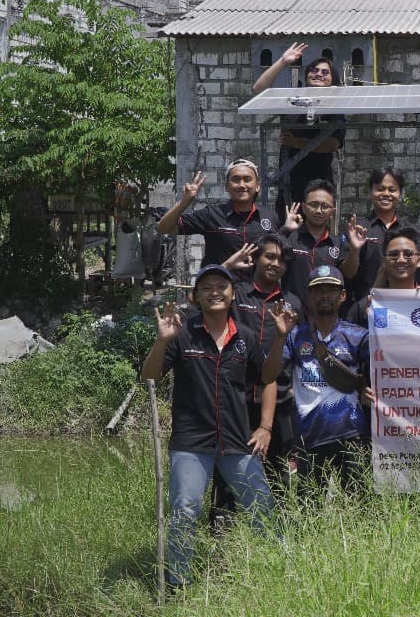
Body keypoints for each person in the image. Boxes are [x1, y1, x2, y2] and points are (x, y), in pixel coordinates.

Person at [140, 264, 289, 588]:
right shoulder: (182, 334)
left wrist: (264, 427)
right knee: (184, 510)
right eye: (206, 287)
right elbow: (149, 377)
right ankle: (178, 583)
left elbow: (268, 377)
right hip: (191, 443)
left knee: (263, 506)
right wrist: (162, 341)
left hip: (236, 441)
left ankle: (282, 575)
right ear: (196, 297)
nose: (214, 292)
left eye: (221, 286)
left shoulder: (246, 337)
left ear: (232, 294)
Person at [211, 235, 304, 516]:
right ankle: (221, 538)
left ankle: (274, 535)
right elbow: (207, 293)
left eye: (281, 260)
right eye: (269, 257)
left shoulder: (292, 302)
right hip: (235, 399)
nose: (275, 264)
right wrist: (227, 265)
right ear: (257, 259)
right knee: (227, 474)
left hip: (278, 399)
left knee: (277, 472)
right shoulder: (236, 293)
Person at [283, 265, 372, 494]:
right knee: (310, 511)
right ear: (309, 296)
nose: (325, 294)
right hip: (308, 436)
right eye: (319, 289)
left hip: (351, 435)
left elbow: (378, 373)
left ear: (342, 295)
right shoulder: (294, 336)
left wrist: (369, 391)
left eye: (331, 289)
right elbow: (268, 375)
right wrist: (280, 337)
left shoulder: (358, 335)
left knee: (358, 509)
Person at [251, 43, 347, 215]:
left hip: (320, 186)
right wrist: (283, 61)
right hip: (289, 184)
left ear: (333, 79)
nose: (318, 74)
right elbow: (259, 90)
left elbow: (332, 144)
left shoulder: (336, 108)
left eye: (325, 72)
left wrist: (296, 142)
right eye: (314, 70)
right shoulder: (291, 101)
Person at [157, 160, 284, 268]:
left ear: (257, 186)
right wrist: (184, 202)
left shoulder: (270, 217)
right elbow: (164, 227)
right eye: (235, 180)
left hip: (258, 294)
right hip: (220, 292)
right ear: (226, 187)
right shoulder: (211, 215)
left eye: (247, 179)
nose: (241, 185)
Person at [283, 179, 358, 299]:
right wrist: (285, 230)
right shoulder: (290, 237)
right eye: (313, 205)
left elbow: (349, 274)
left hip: (325, 312)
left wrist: (355, 249)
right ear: (304, 207)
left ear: (332, 211)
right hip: (293, 311)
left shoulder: (338, 244)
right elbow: (269, 257)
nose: (318, 211)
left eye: (325, 206)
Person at [348, 167, 406, 307]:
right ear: (370, 192)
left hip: (403, 308)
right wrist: (355, 249)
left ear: (401, 194)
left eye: (392, 190)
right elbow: (348, 274)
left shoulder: (408, 230)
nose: (386, 194)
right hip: (364, 309)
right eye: (380, 188)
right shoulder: (358, 229)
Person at [347, 225, 420, 328]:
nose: (401, 260)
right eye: (393, 254)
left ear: (419, 261)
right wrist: (368, 321)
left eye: (408, 254)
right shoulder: (364, 307)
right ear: (384, 261)